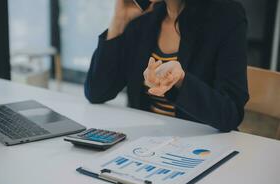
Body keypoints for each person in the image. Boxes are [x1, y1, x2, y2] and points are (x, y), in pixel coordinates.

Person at [84, 0, 249, 132]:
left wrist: (181, 81)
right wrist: (120, 20)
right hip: (147, 145)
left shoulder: (226, 16)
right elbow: (97, 93)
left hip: (203, 146)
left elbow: (230, 113)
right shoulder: (144, 21)